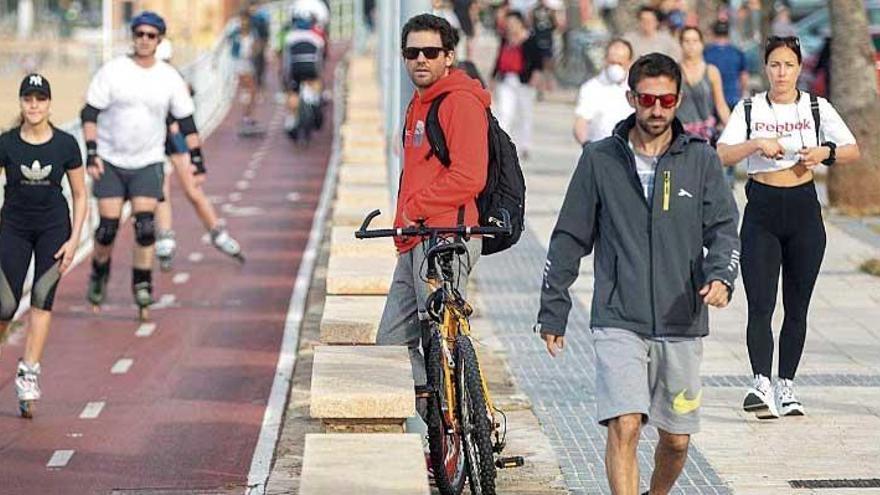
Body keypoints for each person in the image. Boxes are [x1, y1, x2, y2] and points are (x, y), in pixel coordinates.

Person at [536, 53, 740, 495]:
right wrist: (553, 308)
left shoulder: (701, 160)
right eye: (647, 98)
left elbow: (724, 229)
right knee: (625, 425)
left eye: (666, 99)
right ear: (632, 98)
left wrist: (722, 276)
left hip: (681, 320)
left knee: (677, 440)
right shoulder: (599, 159)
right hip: (618, 318)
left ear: (678, 100)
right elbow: (569, 236)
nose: (657, 109)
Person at [717, 36, 861, 419]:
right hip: (761, 210)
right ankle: (760, 382)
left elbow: (851, 149)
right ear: (765, 68)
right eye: (775, 65)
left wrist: (823, 153)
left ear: (799, 68)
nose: (781, 73)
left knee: (797, 307)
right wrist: (755, 145)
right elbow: (722, 152)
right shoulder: (749, 108)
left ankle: (787, 385)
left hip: (803, 211)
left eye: (789, 65)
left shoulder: (817, 107)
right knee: (761, 304)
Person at [376, 11, 489, 476]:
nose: (420, 60)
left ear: (449, 56)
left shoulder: (458, 103)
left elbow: (470, 175)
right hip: (414, 238)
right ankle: (436, 427)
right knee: (392, 341)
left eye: (430, 52)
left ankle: (453, 432)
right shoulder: (418, 103)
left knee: (440, 336)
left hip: (447, 237)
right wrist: (405, 219)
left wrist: (415, 207)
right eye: (411, 53)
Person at [81, 11, 207, 321]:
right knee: (107, 230)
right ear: (133, 36)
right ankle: (99, 272)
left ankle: (142, 285)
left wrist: (197, 160)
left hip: (148, 160)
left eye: (151, 35)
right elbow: (89, 113)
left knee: (146, 226)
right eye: (140, 34)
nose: (145, 40)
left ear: (159, 40)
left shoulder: (168, 77)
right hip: (110, 160)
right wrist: (92, 152)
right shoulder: (114, 71)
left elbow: (187, 120)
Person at [0, 74, 87, 417]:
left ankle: (29, 371)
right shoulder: (6, 144)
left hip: (54, 229)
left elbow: (80, 195)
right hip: (14, 228)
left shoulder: (66, 145)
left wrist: (75, 238)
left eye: (40, 99)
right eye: (28, 99)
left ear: (49, 104)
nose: (34, 105)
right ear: (21, 103)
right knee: (5, 306)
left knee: (41, 295)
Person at [153, 40, 245, 272]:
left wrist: (196, 158)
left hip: (173, 139)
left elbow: (185, 105)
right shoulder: (144, 74)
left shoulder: (171, 76)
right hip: (152, 141)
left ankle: (217, 232)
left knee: (192, 189)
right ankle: (165, 237)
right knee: (159, 192)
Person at [492, 10, 542, 160]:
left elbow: (537, 62)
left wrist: (536, 77)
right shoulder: (504, 40)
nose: (511, 26)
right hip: (506, 80)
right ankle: (502, 145)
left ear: (521, 23)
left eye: (514, 23)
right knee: (505, 113)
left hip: (524, 81)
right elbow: (498, 59)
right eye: (508, 23)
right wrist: (492, 77)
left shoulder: (530, 39)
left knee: (524, 114)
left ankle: (525, 145)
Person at [704, 20, 749, 186]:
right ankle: (729, 173)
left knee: (711, 134)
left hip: (711, 100)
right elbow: (744, 77)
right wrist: (743, 93)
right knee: (732, 136)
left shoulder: (707, 53)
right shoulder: (737, 53)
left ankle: (714, 170)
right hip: (732, 98)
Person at [573, 38, 634, 146]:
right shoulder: (591, 88)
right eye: (612, 62)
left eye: (620, 63)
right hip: (599, 151)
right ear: (605, 60)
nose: (615, 67)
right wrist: (586, 144)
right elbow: (581, 121)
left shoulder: (635, 87)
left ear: (629, 63)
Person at [677, 26, 730, 142]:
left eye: (695, 41)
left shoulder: (711, 71)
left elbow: (721, 105)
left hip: (705, 134)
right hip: (679, 133)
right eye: (686, 41)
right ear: (681, 44)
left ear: (702, 44)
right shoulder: (674, 71)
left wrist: (733, 129)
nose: (691, 45)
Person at [281, 8, 327, 140]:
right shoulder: (317, 37)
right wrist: (319, 74)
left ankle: (292, 119)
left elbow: (286, 59)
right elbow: (320, 58)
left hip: (295, 70)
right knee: (315, 85)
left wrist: (285, 76)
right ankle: (315, 102)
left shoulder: (289, 37)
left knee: (293, 92)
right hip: (312, 69)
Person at [229, 10, 262, 135]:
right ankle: (245, 117)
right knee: (249, 90)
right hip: (239, 63)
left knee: (250, 91)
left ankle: (246, 116)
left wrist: (255, 50)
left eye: (246, 19)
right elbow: (225, 43)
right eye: (242, 19)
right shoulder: (235, 33)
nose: (244, 22)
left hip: (249, 62)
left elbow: (257, 46)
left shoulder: (253, 32)